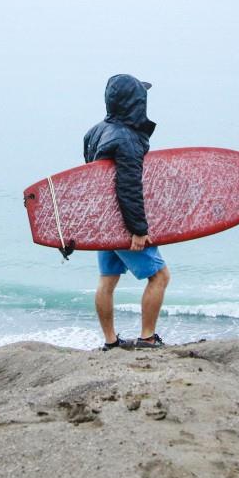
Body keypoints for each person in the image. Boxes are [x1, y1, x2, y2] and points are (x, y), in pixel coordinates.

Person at [83, 74, 171, 350]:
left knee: (107, 281)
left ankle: (110, 342)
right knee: (160, 276)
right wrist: (138, 229)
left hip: (104, 221)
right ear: (136, 102)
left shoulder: (94, 131)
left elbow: (95, 181)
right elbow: (128, 186)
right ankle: (147, 337)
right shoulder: (128, 139)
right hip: (124, 221)